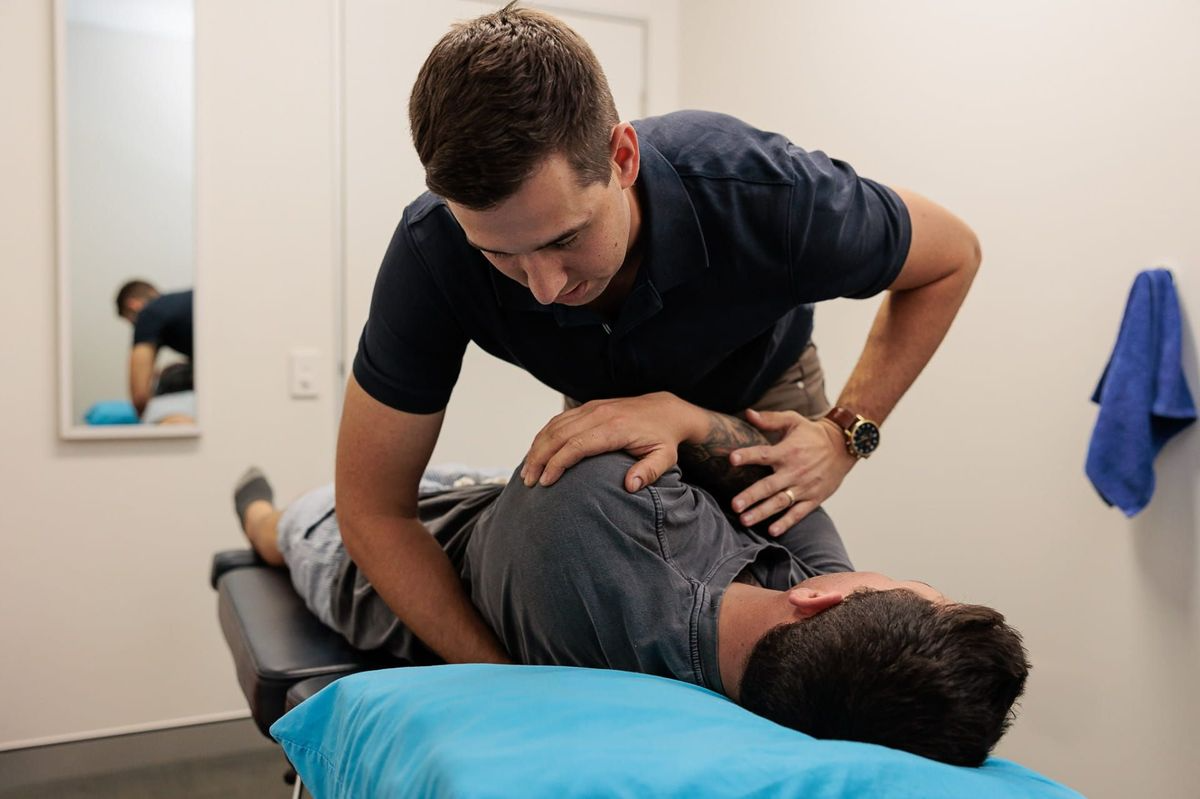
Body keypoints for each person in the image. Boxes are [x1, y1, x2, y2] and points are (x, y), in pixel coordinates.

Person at [337, 4, 983, 666]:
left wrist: (848, 431)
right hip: (606, 409)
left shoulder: (761, 190)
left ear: (621, 157)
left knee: (824, 660)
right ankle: (274, 526)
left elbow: (951, 254)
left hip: (759, 404)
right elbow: (372, 510)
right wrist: (502, 683)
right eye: (502, 256)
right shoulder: (434, 251)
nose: (544, 288)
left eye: (566, 238)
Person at [232, 453, 1028, 768]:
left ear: (820, 598)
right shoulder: (797, 656)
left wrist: (682, 418)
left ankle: (255, 507)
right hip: (499, 506)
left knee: (289, 524)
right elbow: (781, 467)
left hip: (396, 551)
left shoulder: (599, 506)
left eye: (920, 583)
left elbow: (748, 437)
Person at [114, 280, 194, 417]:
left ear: (133, 305)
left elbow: (140, 397)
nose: (135, 326)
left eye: (132, 322)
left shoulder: (148, 313)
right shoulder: (191, 301)